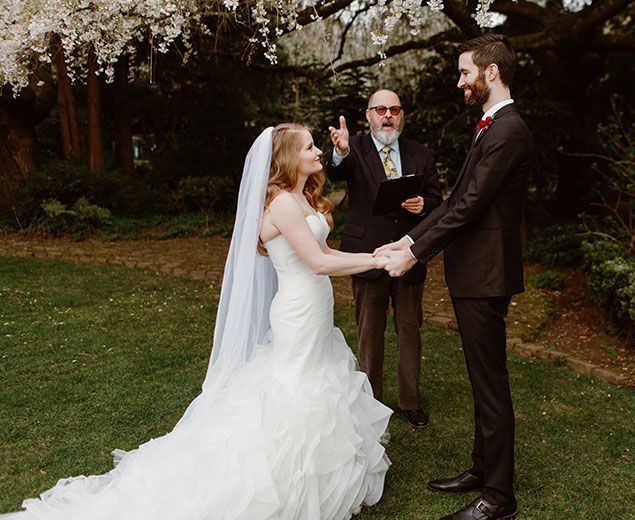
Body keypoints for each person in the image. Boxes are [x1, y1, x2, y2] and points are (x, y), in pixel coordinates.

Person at [2, 123, 393, 520]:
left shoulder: (301, 197)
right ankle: (284, 480)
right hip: (297, 311)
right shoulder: (283, 205)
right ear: (289, 157)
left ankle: (318, 473)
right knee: (296, 390)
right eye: (309, 146)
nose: (317, 151)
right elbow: (319, 262)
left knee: (314, 382)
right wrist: (376, 260)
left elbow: (325, 251)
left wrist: (373, 253)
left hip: (314, 308)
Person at [377, 34, 535, 520]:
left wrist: (416, 254)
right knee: (479, 376)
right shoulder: (490, 126)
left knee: (490, 382)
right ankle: (481, 469)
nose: (460, 81)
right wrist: (408, 241)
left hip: (486, 274)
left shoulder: (509, 130)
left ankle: (499, 499)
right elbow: (452, 201)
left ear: (492, 72)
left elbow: (469, 207)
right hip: (475, 273)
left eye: (466, 72)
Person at [327, 89, 443, 429]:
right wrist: (341, 150)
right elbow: (338, 171)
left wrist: (424, 204)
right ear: (369, 115)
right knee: (369, 331)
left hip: (409, 254)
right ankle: (370, 401)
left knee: (410, 330)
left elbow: (438, 200)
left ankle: (410, 401)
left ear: (401, 114)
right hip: (368, 254)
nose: (387, 115)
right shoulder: (355, 148)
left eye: (394, 109)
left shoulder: (420, 153)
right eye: (380, 109)